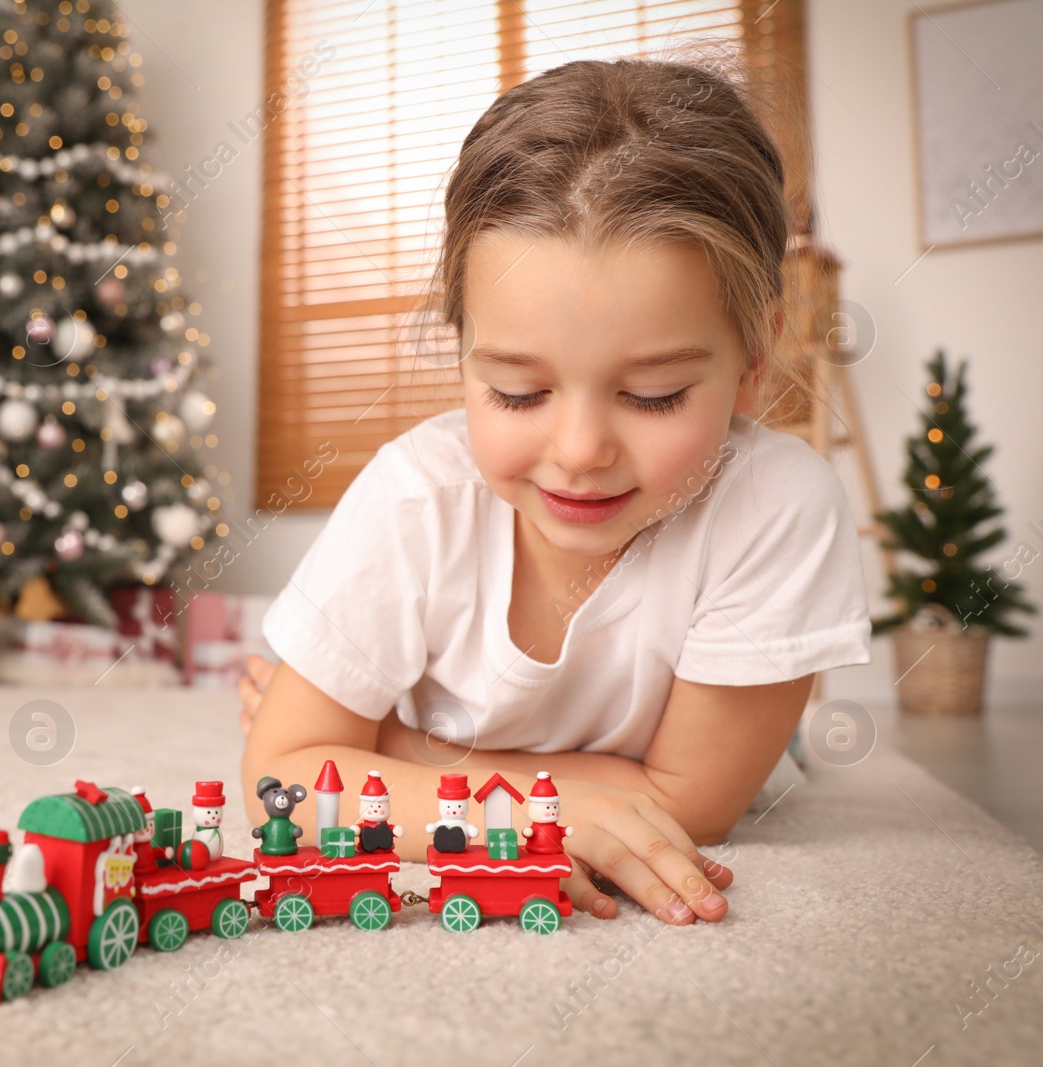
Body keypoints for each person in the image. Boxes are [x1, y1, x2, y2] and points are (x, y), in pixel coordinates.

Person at [239, 57, 872, 927]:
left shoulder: (778, 503)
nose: (578, 453)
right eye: (518, 393)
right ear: (462, 352)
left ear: (756, 359)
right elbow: (281, 788)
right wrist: (556, 802)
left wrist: (393, 751)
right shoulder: (417, 496)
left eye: (653, 396)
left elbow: (693, 808)